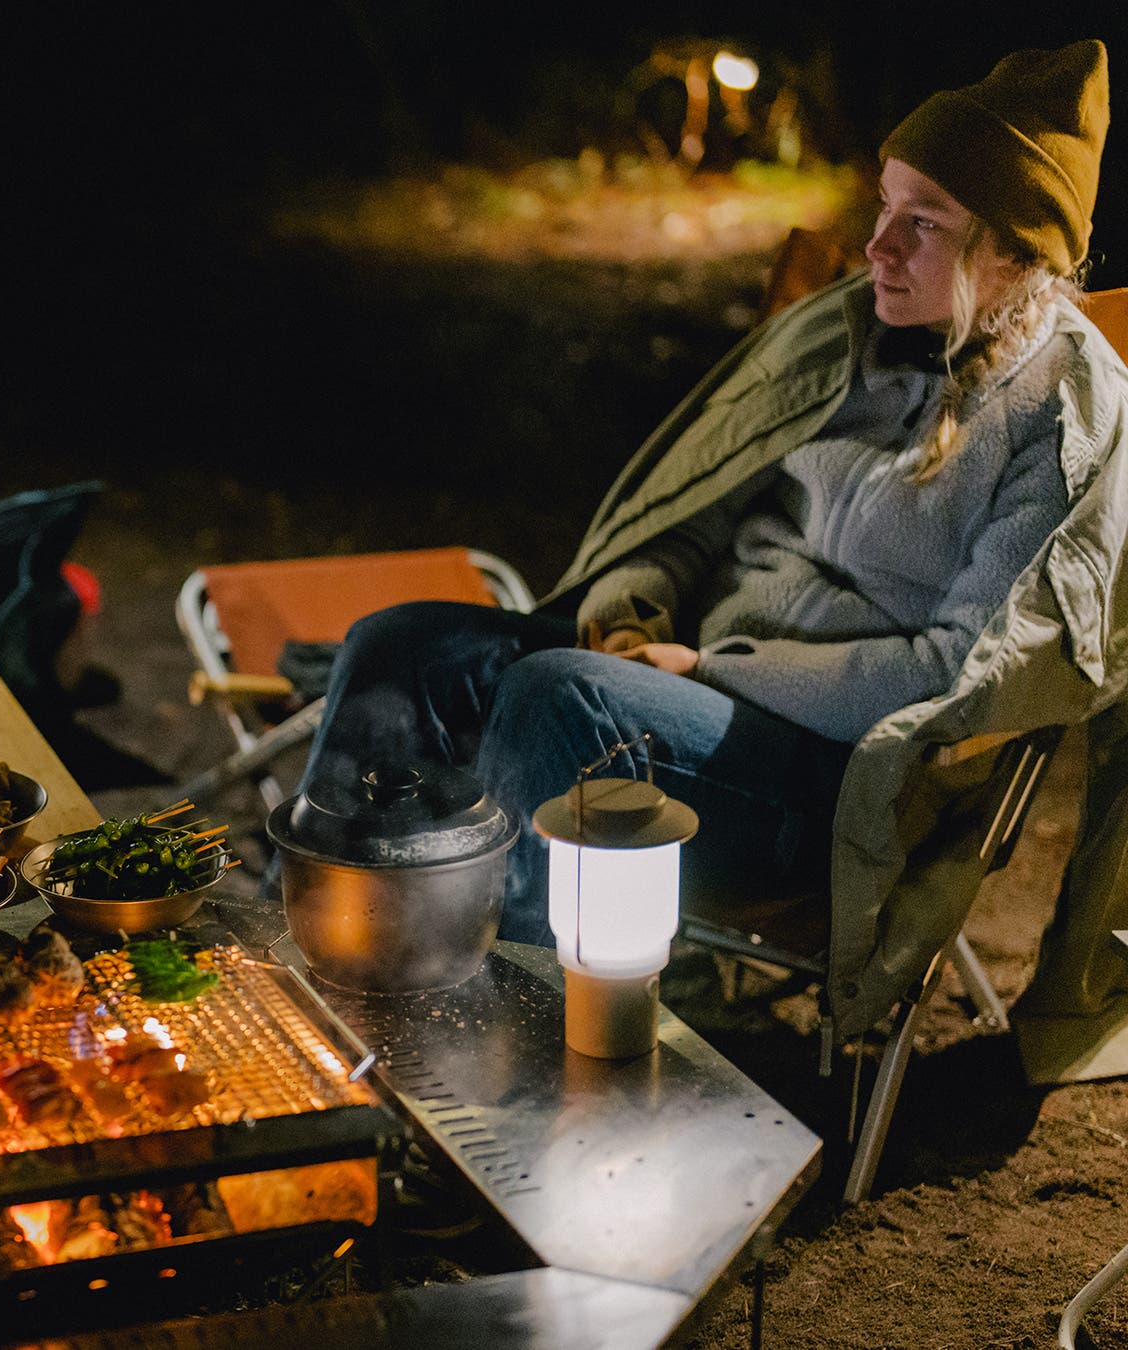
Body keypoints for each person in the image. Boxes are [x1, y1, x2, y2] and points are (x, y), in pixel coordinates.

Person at [293, 41, 1128, 1041]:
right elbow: (705, 508)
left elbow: (947, 676)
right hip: (680, 686)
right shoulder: (853, 335)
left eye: (924, 223)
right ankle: (320, 977)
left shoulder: (1062, 420)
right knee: (400, 652)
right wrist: (635, 597)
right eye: (884, 206)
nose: (878, 249)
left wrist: (711, 665)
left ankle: (503, 1048)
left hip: (827, 774)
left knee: (561, 704)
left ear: (1015, 254)